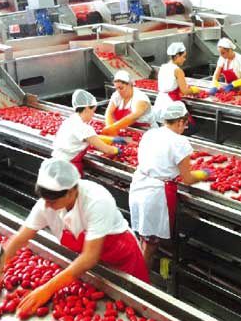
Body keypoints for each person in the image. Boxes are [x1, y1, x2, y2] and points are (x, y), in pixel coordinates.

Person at [5, 158, 149, 316]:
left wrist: (47, 289)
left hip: (121, 257)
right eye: (44, 200)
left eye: (52, 202)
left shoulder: (97, 201)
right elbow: (21, 238)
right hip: (89, 264)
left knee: (139, 306)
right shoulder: (47, 203)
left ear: (72, 191)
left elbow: (89, 257)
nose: (46, 206)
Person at [129, 102, 210, 268]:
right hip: (155, 194)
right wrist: (204, 174)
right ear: (180, 122)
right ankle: (139, 280)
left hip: (139, 185)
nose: (185, 127)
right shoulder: (180, 143)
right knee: (150, 244)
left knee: (143, 237)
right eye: (185, 124)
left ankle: (140, 270)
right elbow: (187, 178)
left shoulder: (150, 134)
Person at [52, 89, 125, 176]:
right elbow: (106, 149)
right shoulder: (84, 128)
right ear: (86, 108)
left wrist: (112, 140)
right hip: (69, 168)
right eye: (93, 111)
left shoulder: (70, 120)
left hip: (56, 163)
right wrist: (117, 150)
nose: (93, 115)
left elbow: (90, 138)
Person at [154, 42, 201, 133]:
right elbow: (185, 91)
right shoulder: (177, 70)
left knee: (166, 129)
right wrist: (195, 90)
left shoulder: (163, 67)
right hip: (171, 103)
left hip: (160, 101)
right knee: (190, 128)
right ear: (176, 56)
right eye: (183, 56)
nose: (184, 59)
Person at [101, 70, 156, 136]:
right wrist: (109, 128)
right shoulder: (117, 95)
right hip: (128, 130)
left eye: (121, 88)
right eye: (116, 88)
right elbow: (109, 112)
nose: (118, 91)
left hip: (147, 132)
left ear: (130, 85)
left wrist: (114, 127)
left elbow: (134, 116)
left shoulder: (140, 98)